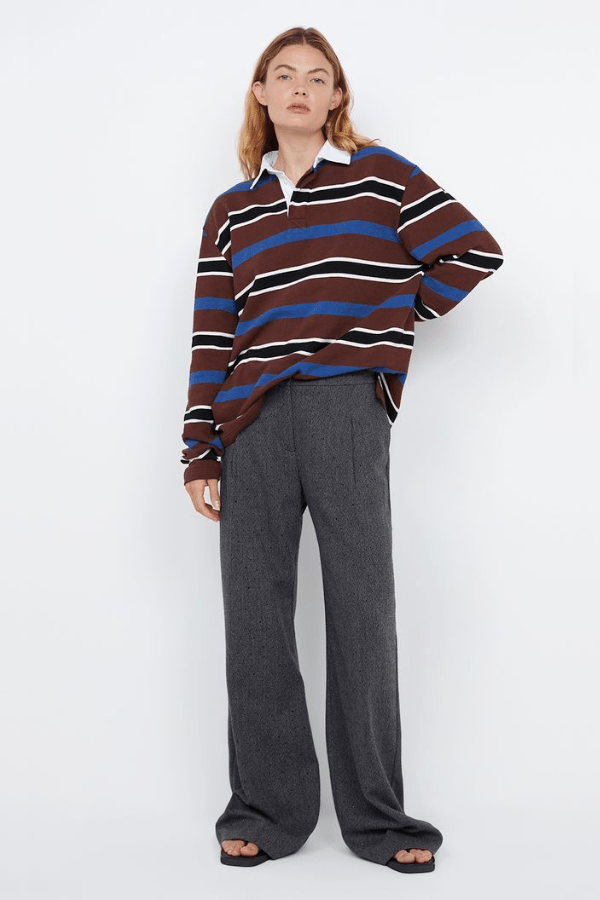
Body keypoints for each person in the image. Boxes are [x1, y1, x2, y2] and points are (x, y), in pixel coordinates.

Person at [180, 26, 503, 873]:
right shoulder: (232, 210)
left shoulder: (379, 176)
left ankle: (379, 818)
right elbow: (213, 333)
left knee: (362, 609)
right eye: (283, 75)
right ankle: (266, 809)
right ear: (261, 92)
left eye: (317, 77)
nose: (300, 87)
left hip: (344, 408)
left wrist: (390, 314)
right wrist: (199, 449)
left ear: (336, 97)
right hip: (250, 420)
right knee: (254, 617)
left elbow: (474, 250)